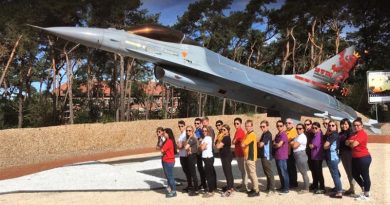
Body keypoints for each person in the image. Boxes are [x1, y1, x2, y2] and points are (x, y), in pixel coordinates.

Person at [346, 117, 372, 201]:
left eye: (358, 125)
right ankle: (364, 188)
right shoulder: (354, 134)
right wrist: (351, 142)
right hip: (355, 158)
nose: (356, 127)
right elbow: (346, 142)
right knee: (354, 174)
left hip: (363, 157)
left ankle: (366, 194)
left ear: (362, 126)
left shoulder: (362, 134)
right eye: (354, 125)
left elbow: (353, 145)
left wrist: (351, 143)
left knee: (365, 175)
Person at [324, 120, 342, 199]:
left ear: (336, 126)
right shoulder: (333, 134)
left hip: (332, 157)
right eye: (329, 125)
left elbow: (325, 145)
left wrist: (326, 147)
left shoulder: (333, 135)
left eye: (333, 125)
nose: (330, 126)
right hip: (333, 156)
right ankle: (337, 187)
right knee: (335, 174)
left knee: (335, 175)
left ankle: (339, 192)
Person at [290, 123, 310, 193]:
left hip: (300, 155)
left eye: (300, 128)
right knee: (302, 172)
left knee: (304, 172)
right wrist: (293, 143)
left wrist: (292, 143)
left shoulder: (302, 136)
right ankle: (306, 187)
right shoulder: (298, 136)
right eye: (297, 128)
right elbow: (293, 143)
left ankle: (306, 188)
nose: (298, 130)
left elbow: (294, 146)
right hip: (298, 155)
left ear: (303, 129)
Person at [242, 120, 260, 197]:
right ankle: (253, 188)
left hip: (251, 157)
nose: (247, 127)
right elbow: (243, 143)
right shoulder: (247, 134)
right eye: (246, 126)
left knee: (253, 174)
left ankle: (256, 190)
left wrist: (243, 143)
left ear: (252, 126)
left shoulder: (252, 134)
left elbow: (243, 144)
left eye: (249, 126)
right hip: (247, 157)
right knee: (250, 174)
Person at [216, 124, 234, 197]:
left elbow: (218, 146)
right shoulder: (224, 137)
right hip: (225, 156)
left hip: (226, 157)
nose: (222, 131)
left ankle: (229, 190)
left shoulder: (226, 138)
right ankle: (230, 187)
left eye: (224, 130)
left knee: (228, 173)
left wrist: (218, 140)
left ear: (228, 131)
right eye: (222, 130)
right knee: (228, 172)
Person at [339, 118, 356, 196]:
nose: (344, 125)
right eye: (342, 124)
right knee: (348, 172)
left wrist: (348, 142)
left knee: (350, 172)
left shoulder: (351, 133)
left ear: (349, 125)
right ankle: (351, 188)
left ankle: (353, 189)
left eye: (345, 124)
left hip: (349, 154)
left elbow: (351, 143)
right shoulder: (341, 133)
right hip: (343, 154)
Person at [258, 120, 275, 195]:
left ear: (267, 126)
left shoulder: (267, 134)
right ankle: (269, 188)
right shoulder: (264, 134)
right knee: (267, 173)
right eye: (261, 126)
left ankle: (272, 189)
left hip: (266, 156)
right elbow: (260, 143)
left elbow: (261, 144)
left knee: (269, 173)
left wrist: (259, 143)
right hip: (264, 156)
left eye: (263, 126)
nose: (262, 128)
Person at [232, 117, 249, 192]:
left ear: (240, 124)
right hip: (239, 153)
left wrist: (234, 141)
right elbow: (233, 141)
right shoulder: (237, 131)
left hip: (241, 153)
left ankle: (245, 186)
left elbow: (234, 141)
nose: (236, 125)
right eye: (235, 123)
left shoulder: (240, 132)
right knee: (242, 170)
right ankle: (243, 184)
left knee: (243, 170)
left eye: (237, 123)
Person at [200, 126, 217, 198]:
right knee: (210, 174)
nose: (204, 132)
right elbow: (201, 147)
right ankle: (212, 189)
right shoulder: (205, 138)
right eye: (203, 131)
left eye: (205, 131)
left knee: (209, 175)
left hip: (208, 158)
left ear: (208, 131)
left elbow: (201, 148)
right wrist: (201, 146)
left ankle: (211, 191)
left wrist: (201, 145)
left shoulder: (207, 138)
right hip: (207, 158)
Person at [161, 128, 178, 198]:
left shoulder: (168, 141)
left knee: (170, 177)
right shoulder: (169, 141)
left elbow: (162, 150)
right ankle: (171, 189)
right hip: (167, 160)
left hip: (168, 161)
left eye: (164, 133)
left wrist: (162, 146)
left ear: (168, 134)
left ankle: (174, 191)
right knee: (168, 176)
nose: (163, 134)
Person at [274, 120, 289, 195]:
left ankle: (286, 188)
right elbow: (274, 143)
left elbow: (279, 145)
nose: (279, 127)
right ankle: (283, 186)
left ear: (283, 126)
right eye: (278, 126)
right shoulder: (277, 135)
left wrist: (275, 144)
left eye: (280, 126)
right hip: (277, 156)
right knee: (280, 173)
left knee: (284, 173)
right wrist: (276, 144)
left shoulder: (283, 135)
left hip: (282, 156)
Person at [309, 122, 325, 194]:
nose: (314, 129)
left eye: (316, 128)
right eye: (313, 128)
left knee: (318, 172)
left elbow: (312, 146)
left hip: (317, 157)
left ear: (319, 128)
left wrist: (310, 144)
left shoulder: (318, 135)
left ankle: (322, 187)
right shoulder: (315, 135)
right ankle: (316, 185)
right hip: (314, 156)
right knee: (315, 172)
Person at [177, 120, 192, 192]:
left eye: (182, 126)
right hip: (181, 155)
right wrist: (179, 145)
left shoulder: (185, 135)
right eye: (179, 126)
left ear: (184, 126)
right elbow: (179, 145)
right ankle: (189, 185)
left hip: (185, 155)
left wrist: (180, 145)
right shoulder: (181, 135)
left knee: (187, 171)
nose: (180, 127)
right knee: (186, 170)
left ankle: (190, 185)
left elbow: (182, 145)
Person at [184, 125, 199, 196]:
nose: (188, 132)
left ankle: (196, 190)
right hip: (190, 156)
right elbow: (186, 147)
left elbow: (185, 147)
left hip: (192, 156)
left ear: (192, 131)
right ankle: (194, 188)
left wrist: (188, 147)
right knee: (192, 173)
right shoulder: (189, 138)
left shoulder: (192, 138)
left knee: (193, 173)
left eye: (189, 130)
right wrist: (188, 148)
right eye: (187, 130)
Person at [194, 118, 206, 190]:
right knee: (200, 168)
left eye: (198, 123)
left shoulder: (201, 131)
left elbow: (202, 139)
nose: (196, 124)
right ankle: (203, 183)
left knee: (201, 168)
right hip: (198, 151)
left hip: (200, 151)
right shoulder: (196, 130)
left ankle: (204, 184)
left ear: (200, 123)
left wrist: (197, 139)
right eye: (195, 123)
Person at [286, 118, 298, 188]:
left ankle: (294, 183)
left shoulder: (293, 131)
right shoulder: (287, 131)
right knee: (289, 168)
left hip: (291, 152)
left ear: (292, 124)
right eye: (286, 123)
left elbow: (287, 139)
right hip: (287, 152)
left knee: (292, 167)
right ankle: (291, 181)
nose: (287, 124)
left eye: (289, 123)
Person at [304, 119, 315, 191]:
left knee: (315, 170)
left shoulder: (314, 133)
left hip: (314, 154)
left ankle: (317, 184)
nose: (306, 126)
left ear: (311, 125)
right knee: (312, 169)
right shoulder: (305, 133)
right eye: (305, 124)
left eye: (308, 124)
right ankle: (315, 183)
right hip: (308, 153)